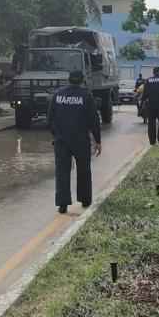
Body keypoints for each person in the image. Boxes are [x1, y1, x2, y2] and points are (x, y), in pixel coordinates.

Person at [47, 70, 102, 214]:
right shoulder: (86, 96)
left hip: (61, 141)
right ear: (82, 81)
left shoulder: (58, 95)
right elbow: (94, 120)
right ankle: (85, 199)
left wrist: (56, 135)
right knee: (84, 170)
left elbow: (50, 118)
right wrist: (97, 140)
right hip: (81, 141)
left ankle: (63, 205)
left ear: (69, 79)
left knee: (62, 171)